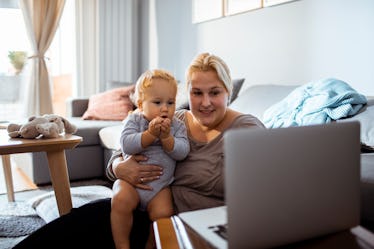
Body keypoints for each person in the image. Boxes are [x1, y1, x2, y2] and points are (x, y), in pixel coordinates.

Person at [13, 52, 265, 249]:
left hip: (184, 227)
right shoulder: (175, 118)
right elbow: (120, 153)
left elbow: (263, 197)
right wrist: (120, 167)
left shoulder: (247, 129)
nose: (205, 102)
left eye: (215, 93)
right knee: (70, 228)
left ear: (228, 92)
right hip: (137, 210)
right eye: (197, 93)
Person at [112, 69, 189, 249]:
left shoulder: (177, 126)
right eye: (157, 102)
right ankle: (122, 245)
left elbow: (183, 151)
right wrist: (149, 135)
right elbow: (126, 144)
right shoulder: (134, 121)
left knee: (164, 213)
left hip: (160, 188)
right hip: (130, 184)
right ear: (140, 104)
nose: (165, 108)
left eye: (170, 102)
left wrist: (167, 139)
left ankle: (151, 244)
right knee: (120, 199)